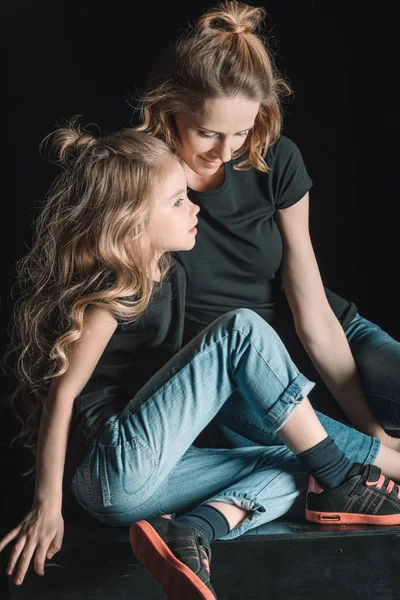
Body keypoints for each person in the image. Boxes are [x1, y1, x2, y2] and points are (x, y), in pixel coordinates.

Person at [1, 122, 400, 600]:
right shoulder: (113, 286)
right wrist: (48, 504)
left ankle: (195, 530)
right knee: (242, 329)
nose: (194, 209)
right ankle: (341, 476)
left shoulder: (168, 271)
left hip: (147, 487)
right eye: (176, 202)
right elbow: (61, 393)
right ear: (129, 220)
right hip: (112, 467)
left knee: (298, 462)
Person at [136, 0, 400, 456]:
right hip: (241, 376)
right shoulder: (142, 176)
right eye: (206, 133)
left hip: (326, 336)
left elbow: (312, 310)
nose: (225, 150)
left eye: (239, 132)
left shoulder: (277, 158)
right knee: (339, 454)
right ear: (168, 109)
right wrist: (374, 446)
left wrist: (370, 426)